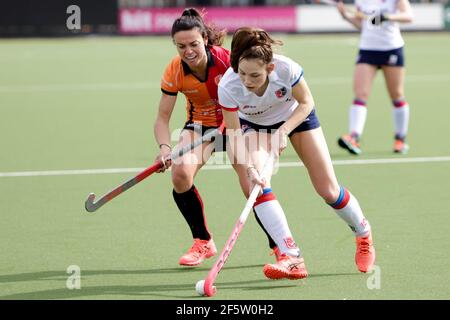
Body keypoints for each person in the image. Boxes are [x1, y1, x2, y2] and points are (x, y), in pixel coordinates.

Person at [218, 27, 376, 280]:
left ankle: (363, 233)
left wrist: (283, 131)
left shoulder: (285, 69)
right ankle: (291, 256)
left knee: (328, 190)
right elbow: (234, 135)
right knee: (256, 182)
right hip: (255, 126)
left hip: (296, 118)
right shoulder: (228, 85)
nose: (247, 82)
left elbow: (306, 103)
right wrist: (248, 167)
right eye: (242, 73)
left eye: (255, 76)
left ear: (269, 68)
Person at [154, 9, 276, 267]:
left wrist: (231, 123)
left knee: (252, 186)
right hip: (200, 126)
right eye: (181, 46)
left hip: (237, 125)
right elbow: (162, 118)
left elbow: (252, 92)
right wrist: (165, 148)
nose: (188, 51)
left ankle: (279, 246)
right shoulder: (174, 70)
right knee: (180, 173)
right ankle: (203, 241)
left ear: (206, 40)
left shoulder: (226, 61)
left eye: (194, 44)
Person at [336, 0, 414, 155]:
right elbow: (362, 25)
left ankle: (400, 139)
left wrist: (387, 17)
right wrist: (345, 16)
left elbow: (408, 16)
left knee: (397, 95)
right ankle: (354, 137)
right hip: (367, 50)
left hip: (391, 48)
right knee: (360, 95)